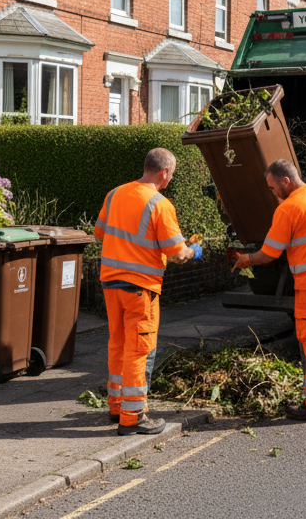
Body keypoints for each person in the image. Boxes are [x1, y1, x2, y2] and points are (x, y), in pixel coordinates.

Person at [233, 159, 306, 421]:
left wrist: (247, 260)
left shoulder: (287, 209)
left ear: (286, 181)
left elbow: (269, 254)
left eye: (273, 187)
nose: (273, 193)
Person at [94, 147, 203, 435]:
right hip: (140, 287)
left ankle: (116, 407)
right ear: (164, 172)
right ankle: (133, 418)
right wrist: (193, 251)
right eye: (171, 175)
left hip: (110, 282)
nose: (170, 180)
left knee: (117, 342)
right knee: (139, 349)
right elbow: (176, 252)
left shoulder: (115, 194)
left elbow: (100, 232)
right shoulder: (160, 204)